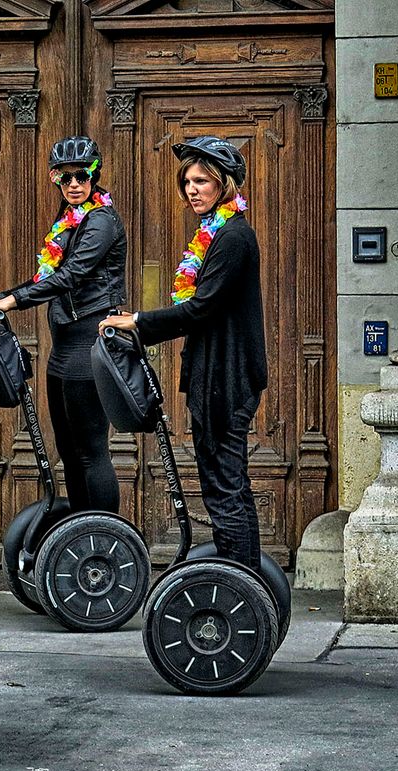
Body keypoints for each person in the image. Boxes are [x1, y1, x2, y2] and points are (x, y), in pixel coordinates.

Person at [100, 135, 267, 569]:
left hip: (227, 380)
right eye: (187, 183)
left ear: (224, 185)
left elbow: (201, 307)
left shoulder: (232, 238)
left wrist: (136, 322)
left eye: (201, 181)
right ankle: (244, 578)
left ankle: (244, 582)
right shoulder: (216, 234)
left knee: (225, 484)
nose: (191, 190)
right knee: (222, 481)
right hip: (214, 376)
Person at [0, 136, 127, 515]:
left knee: (91, 449)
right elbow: (46, 277)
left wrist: (12, 301)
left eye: (82, 176)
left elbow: (72, 275)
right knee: (68, 450)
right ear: (56, 180)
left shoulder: (102, 221)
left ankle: (104, 533)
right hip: (63, 350)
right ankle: (78, 530)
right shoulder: (67, 221)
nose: (74, 184)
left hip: (89, 346)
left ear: (94, 176)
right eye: (65, 177)